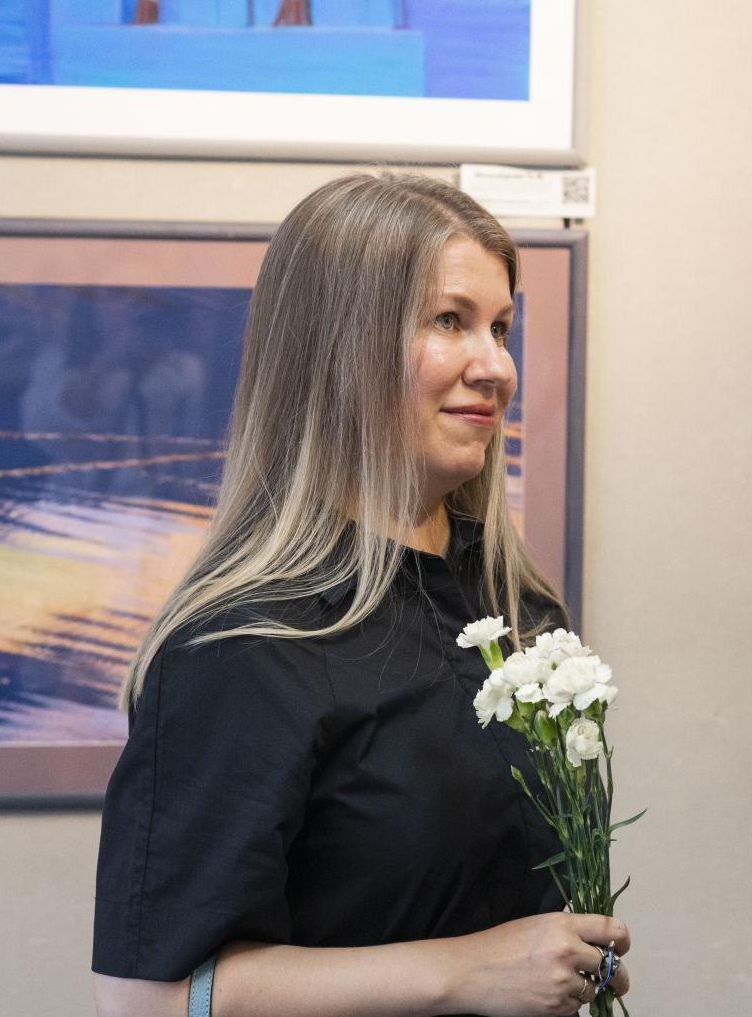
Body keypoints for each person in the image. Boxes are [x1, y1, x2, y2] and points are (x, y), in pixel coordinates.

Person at [91, 173, 631, 1017]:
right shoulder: (245, 645)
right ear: (340, 348)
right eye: (449, 321)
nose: (495, 366)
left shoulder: (516, 610)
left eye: (500, 327)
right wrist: (464, 973)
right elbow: (146, 1001)